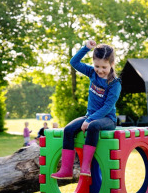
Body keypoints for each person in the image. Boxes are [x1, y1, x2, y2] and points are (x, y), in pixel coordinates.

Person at [51, 40, 121, 179]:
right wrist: (86, 48)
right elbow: (74, 62)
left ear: (111, 64)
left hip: (108, 119)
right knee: (68, 129)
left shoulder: (114, 83)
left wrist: (90, 120)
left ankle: (86, 167)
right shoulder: (92, 73)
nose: (100, 70)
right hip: (90, 116)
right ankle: (66, 170)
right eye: (97, 66)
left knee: (93, 126)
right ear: (93, 63)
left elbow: (107, 107)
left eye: (104, 67)